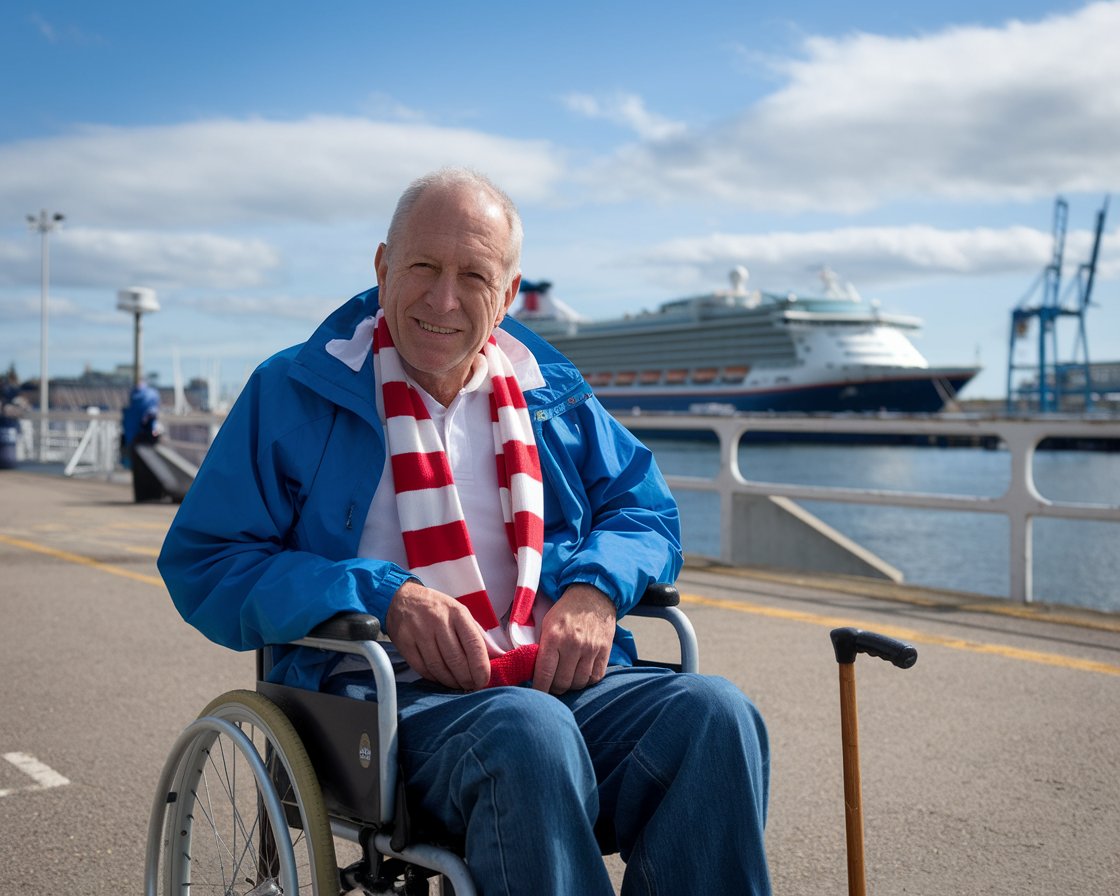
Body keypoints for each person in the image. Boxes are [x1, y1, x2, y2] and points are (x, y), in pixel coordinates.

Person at [158, 168, 771, 895]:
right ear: (383, 266)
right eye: (423, 266)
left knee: (716, 715)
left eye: (474, 276)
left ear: (508, 296)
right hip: (382, 705)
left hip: (547, 676)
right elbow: (206, 562)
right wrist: (383, 595)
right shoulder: (295, 390)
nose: (443, 299)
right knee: (528, 733)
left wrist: (595, 592)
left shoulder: (553, 398)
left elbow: (646, 512)